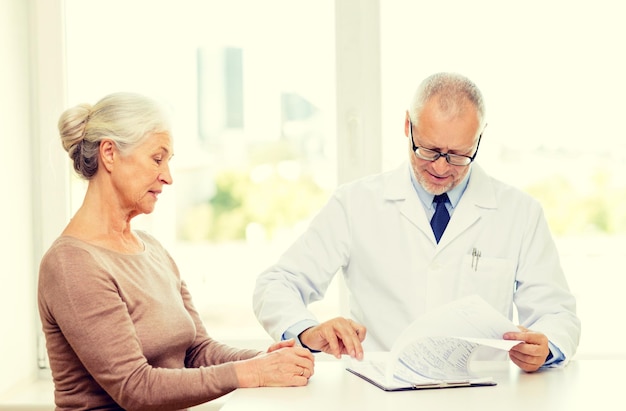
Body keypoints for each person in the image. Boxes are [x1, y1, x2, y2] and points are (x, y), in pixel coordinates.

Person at [253, 72, 581, 373]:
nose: (440, 167)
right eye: (429, 150)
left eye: (458, 155)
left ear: (479, 138)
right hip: (381, 390)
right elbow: (276, 284)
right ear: (408, 126)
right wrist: (308, 330)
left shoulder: (520, 213)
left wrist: (546, 346)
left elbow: (557, 313)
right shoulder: (355, 204)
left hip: (482, 394)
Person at [38, 92, 315, 410]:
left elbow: (197, 351)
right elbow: (135, 388)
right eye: (157, 158)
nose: (167, 177)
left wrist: (269, 359)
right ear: (110, 154)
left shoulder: (151, 249)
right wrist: (249, 372)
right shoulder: (72, 264)